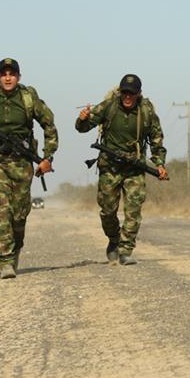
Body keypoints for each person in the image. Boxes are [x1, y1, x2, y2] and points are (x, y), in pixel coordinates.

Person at [0, 58, 57, 279]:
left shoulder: (28, 100)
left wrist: (47, 157)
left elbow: (49, 126)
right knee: (2, 210)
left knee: (19, 214)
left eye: (12, 74)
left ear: (18, 77)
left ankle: (16, 246)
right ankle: (5, 261)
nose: (8, 77)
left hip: (23, 162)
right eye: (4, 74)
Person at [75, 74, 168, 265]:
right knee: (107, 210)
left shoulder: (147, 112)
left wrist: (159, 163)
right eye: (124, 92)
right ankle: (114, 239)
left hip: (134, 168)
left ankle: (126, 249)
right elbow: (83, 128)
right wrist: (82, 119)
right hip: (110, 167)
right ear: (120, 92)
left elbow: (156, 139)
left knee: (133, 210)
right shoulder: (108, 107)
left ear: (139, 94)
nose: (127, 97)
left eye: (131, 93)